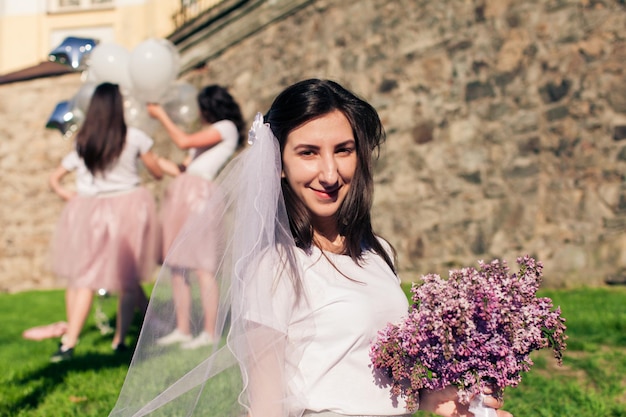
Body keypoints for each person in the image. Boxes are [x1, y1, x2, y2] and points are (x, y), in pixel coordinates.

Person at [109, 79, 512, 417]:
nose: (330, 173)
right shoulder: (276, 267)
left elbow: (374, 374)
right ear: (278, 163)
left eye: (343, 150)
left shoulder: (379, 252)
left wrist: (438, 399)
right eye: (308, 153)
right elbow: (265, 405)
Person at [48, 82, 163, 362]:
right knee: (125, 273)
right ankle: (78, 342)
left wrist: (69, 196)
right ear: (117, 106)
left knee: (92, 274)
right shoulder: (134, 137)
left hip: (94, 213)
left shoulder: (84, 141)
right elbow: (157, 172)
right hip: (129, 209)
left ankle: (72, 342)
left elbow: (55, 178)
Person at [144, 85, 246, 349]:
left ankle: (210, 332)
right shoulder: (206, 137)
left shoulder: (226, 127)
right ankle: (183, 328)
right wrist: (151, 158)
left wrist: (160, 115)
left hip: (201, 196)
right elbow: (182, 169)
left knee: (203, 266)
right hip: (183, 193)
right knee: (177, 264)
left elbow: (183, 142)